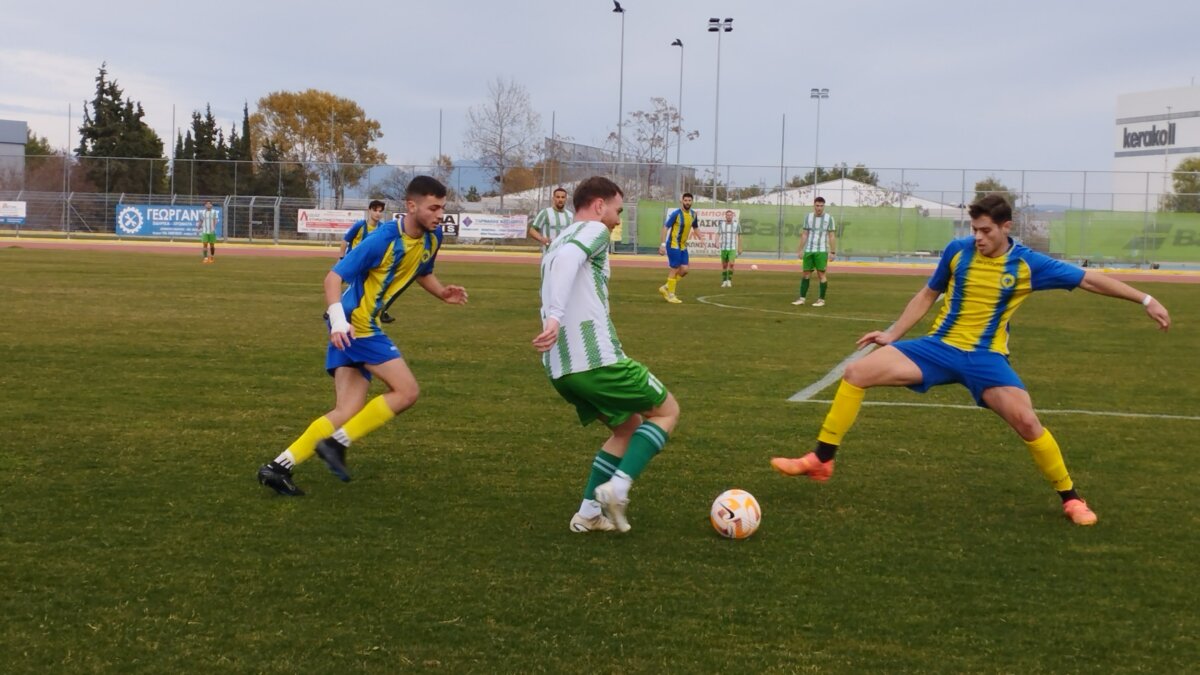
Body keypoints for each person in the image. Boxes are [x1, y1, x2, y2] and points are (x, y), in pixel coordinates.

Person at [770, 194, 1171, 526]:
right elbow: (929, 293)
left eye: (985, 231)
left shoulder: (1029, 263)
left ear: (1005, 227)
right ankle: (821, 460)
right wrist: (893, 333)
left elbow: (1087, 279)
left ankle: (1071, 498)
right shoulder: (957, 252)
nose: (977, 237)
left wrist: (1145, 299)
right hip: (939, 348)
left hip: (986, 357)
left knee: (1027, 422)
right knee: (857, 371)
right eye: (974, 229)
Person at [257, 176, 468, 496]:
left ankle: (277, 467)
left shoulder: (432, 238)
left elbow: (421, 270)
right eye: (434, 208)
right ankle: (336, 444)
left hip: (353, 325)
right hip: (357, 325)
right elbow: (333, 277)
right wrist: (339, 322)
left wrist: (441, 292)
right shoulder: (382, 239)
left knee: (347, 409)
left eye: (443, 208)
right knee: (407, 391)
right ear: (411, 206)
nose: (440, 215)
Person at [534, 176, 681, 533]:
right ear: (599, 205)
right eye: (617, 210)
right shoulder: (593, 231)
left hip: (560, 370)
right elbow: (571, 260)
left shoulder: (557, 241)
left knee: (627, 426)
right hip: (596, 361)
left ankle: (587, 513)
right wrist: (555, 317)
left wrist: (554, 321)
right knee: (666, 411)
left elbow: (564, 261)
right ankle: (618, 488)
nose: (617, 220)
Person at [340, 200, 394, 323]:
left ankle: (381, 312)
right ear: (369, 210)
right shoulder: (360, 225)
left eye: (380, 211)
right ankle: (332, 310)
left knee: (380, 286)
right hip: (354, 261)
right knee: (345, 284)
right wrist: (341, 259)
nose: (378, 213)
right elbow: (345, 241)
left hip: (371, 265)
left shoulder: (382, 228)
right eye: (375, 210)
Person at [791, 196, 836, 307]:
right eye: (817, 205)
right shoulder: (808, 217)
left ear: (823, 206)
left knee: (821, 275)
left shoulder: (829, 218)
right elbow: (805, 234)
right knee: (806, 274)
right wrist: (800, 249)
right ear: (814, 205)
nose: (819, 208)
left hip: (821, 251)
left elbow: (831, 236)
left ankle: (821, 300)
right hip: (809, 250)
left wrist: (833, 252)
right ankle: (802, 298)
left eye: (821, 206)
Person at [658, 193, 699, 304]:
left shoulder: (693, 214)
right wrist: (662, 245)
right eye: (685, 200)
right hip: (673, 244)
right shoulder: (676, 214)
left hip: (683, 246)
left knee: (685, 270)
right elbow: (665, 228)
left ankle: (666, 287)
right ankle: (671, 295)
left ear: (692, 201)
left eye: (689, 200)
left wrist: (702, 239)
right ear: (682, 201)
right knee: (675, 269)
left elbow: (695, 228)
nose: (687, 202)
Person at [717, 209, 742, 287]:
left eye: (730, 215)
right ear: (725, 216)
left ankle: (729, 280)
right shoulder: (722, 225)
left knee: (731, 264)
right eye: (727, 215)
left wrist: (740, 247)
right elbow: (718, 234)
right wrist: (716, 241)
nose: (729, 216)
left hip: (732, 248)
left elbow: (739, 235)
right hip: (724, 248)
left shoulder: (736, 225)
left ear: (732, 216)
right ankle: (724, 281)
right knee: (724, 265)